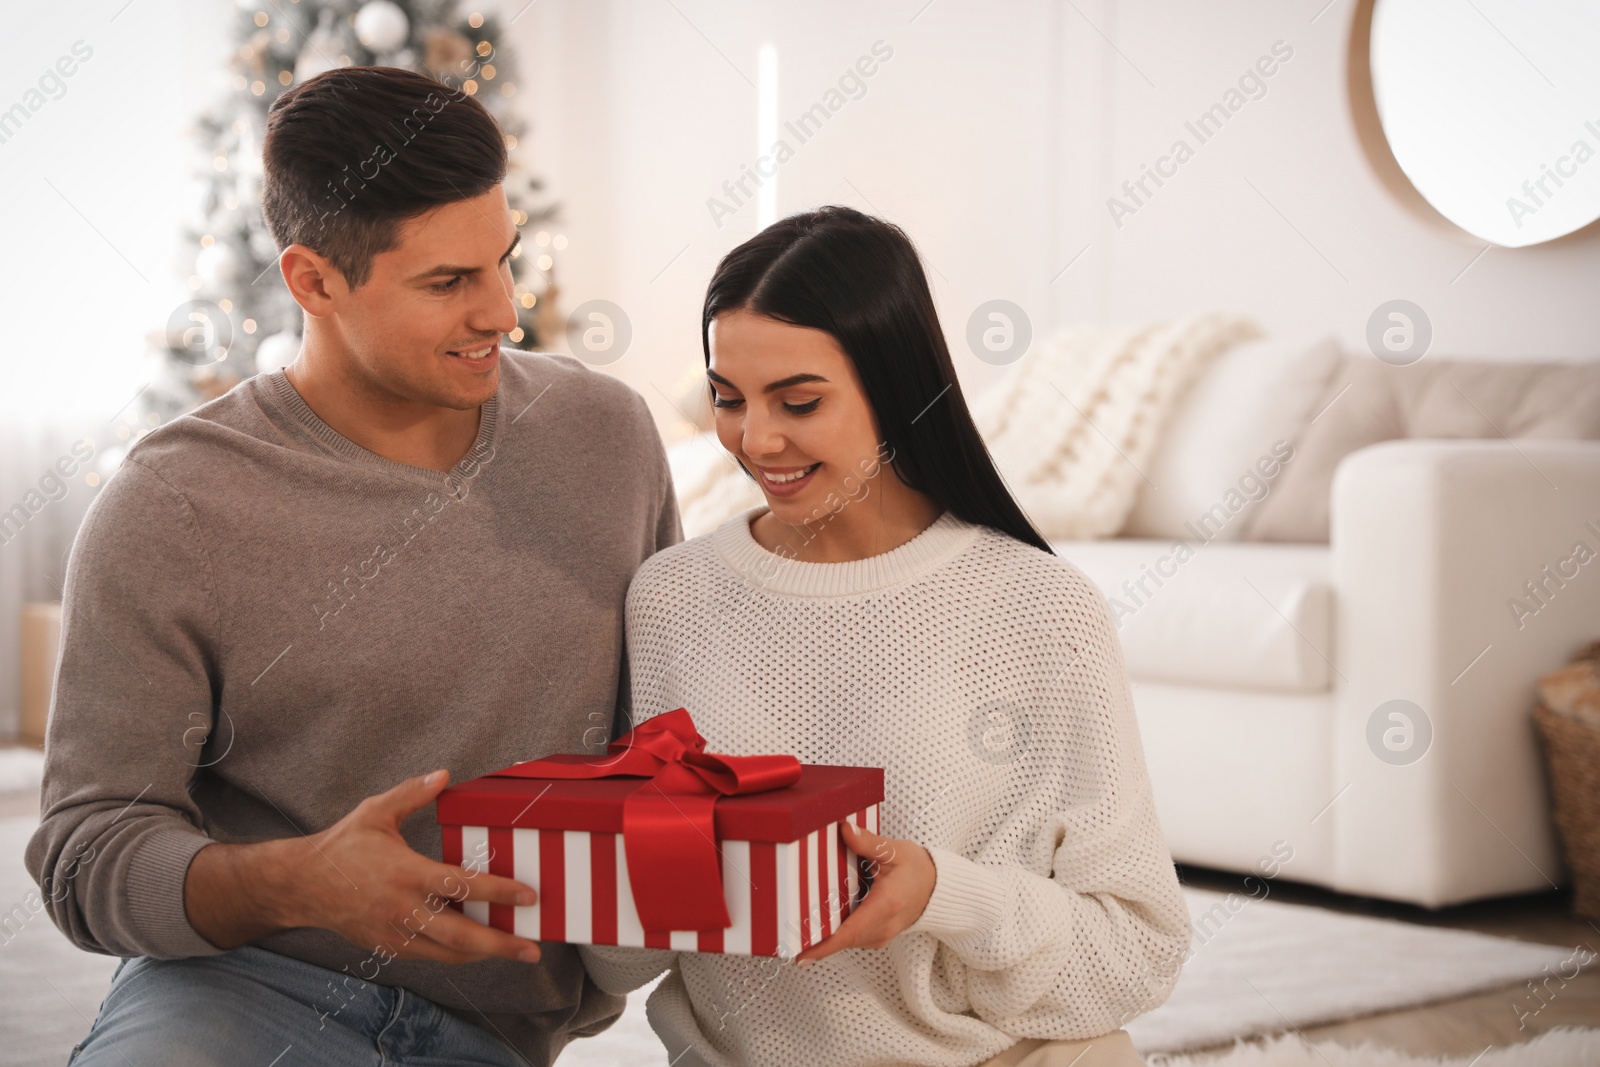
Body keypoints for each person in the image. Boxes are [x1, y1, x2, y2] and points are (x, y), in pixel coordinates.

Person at [26, 66, 679, 1066]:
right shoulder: (173, 503)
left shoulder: (605, 438)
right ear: (312, 281)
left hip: (498, 1028)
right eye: (449, 283)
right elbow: (86, 851)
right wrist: (299, 882)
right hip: (241, 986)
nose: (504, 311)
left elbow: (670, 743)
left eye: (502, 261)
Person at [580, 207, 1189, 1067]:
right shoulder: (672, 596)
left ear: (897, 388)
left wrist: (945, 893)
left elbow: (1137, 951)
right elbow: (618, 961)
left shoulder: (1041, 609)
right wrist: (634, 874)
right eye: (728, 399)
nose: (755, 440)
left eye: (799, 401)